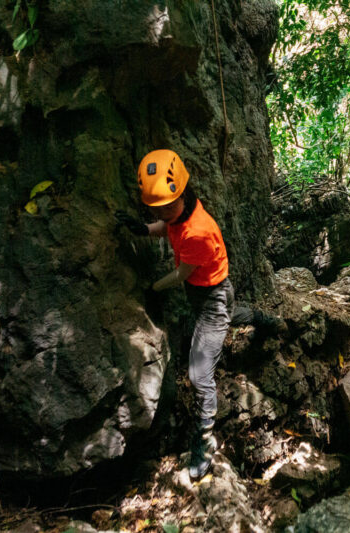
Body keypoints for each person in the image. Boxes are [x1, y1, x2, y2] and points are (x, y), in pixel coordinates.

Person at [115, 149, 230, 479]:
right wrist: (143, 229)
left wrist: (152, 288)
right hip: (205, 295)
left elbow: (180, 274)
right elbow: (169, 226)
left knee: (199, 374)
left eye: (166, 206)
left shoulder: (199, 230)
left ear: (182, 193)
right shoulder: (182, 212)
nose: (162, 212)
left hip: (212, 299)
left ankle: (205, 440)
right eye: (156, 208)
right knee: (224, 320)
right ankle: (260, 319)